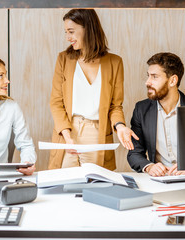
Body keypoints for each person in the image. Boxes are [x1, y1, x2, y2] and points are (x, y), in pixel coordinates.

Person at [49, 9, 138, 170]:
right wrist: (67, 137)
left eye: (71, 32)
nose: (68, 38)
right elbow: (56, 102)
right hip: (68, 132)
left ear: (88, 29)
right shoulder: (64, 59)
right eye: (66, 32)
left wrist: (120, 126)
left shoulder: (115, 62)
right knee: (63, 185)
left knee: (95, 185)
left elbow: (115, 106)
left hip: (98, 133)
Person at [127, 52, 185, 177]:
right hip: (158, 181)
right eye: (148, 76)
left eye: (154, 77)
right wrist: (149, 166)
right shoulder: (141, 110)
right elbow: (134, 153)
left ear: (173, 80)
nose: (147, 82)